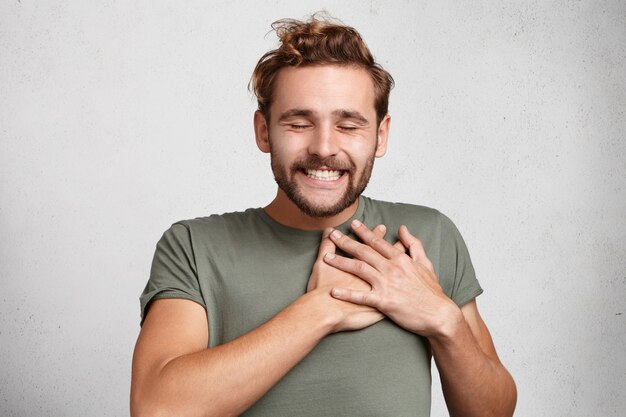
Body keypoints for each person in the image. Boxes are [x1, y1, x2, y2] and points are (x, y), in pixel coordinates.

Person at [130, 14, 517, 417]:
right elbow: (156, 409)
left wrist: (443, 319)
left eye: (349, 125)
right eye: (299, 123)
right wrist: (320, 309)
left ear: (380, 136)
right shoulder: (193, 247)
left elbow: (493, 413)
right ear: (263, 131)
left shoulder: (427, 237)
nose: (324, 147)